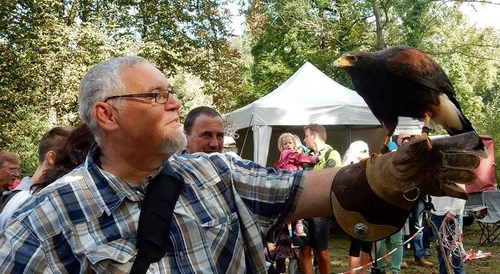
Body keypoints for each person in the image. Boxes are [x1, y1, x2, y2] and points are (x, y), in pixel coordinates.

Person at [0, 56, 480, 273]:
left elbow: (314, 188)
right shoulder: (40, 225)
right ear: (106, 115)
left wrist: (391, 169)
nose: (174, 103)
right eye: (155, 96)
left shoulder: (216, 173)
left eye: (173, 93)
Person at [0, 126, 73, 229]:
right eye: (74, 160)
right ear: (52, 157)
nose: (16, 174)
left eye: (17, 170)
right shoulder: (22, 202)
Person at [298, 124, 341, 274]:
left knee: (321, 251)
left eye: (306, 136)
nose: (304, 140)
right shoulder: (304, 156)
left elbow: (331, 180)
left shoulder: (332, 154)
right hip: (303, 209)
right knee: (303, 249)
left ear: (315, 136)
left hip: (320, 210)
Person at [273, 133, 318, 274]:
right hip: (294, 182)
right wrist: (314, 158)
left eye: (289, 143)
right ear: (282, 146)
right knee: (297, 206)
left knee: (292, 211)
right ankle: (297, 226)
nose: (287, 145)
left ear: (294, 143)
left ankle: (295, 226)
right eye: (285, 143)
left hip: (287, 184)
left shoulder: (284, 157)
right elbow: (301, 158)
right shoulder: (290, 153)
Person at [397, 132, 434, 268]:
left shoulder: (418, 156)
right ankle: (401, 258)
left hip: (417, 197)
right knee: (401, 228)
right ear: (398, 141)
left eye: (408, 138)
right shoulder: (395, 155)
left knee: (418, 227)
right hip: (401, 198)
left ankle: (419, 256)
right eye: (403, 139)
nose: (406, 141)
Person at [342, 141, 373, 274]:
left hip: (370, 209)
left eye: (366, 151)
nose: (365, 154)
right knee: (356, 242)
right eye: (363, 151)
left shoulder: (372, 165)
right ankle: (352, 272)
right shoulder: (348, 167)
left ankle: (364, 272)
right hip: (355, 209)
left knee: (368, 242)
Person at [375, 141, 404, 274]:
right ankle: (381, 266)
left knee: (396, 240)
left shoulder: (402, 170)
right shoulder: (379, 169)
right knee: (379, 240)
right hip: (381, 209)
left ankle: (395, 269)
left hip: (397, 210)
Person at [430, 184, 466, 274]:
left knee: (455, 247)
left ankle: (459, 272)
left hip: (452, 215)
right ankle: (443, 272)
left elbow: (461, 194)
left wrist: (452, 212)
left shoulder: (456, 172)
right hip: (435, 214)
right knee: (440, 247)